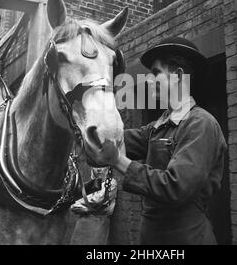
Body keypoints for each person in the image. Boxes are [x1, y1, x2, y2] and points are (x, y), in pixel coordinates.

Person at [85, 36, 227, 245]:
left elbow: (176, 187)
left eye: (156, 73)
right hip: (152, 236)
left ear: (178, 76)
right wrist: (88, 124)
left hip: (187, 237)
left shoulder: (200, 124)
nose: (149, 80)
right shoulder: (159, 126)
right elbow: (117, 138)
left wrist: (118, 160)